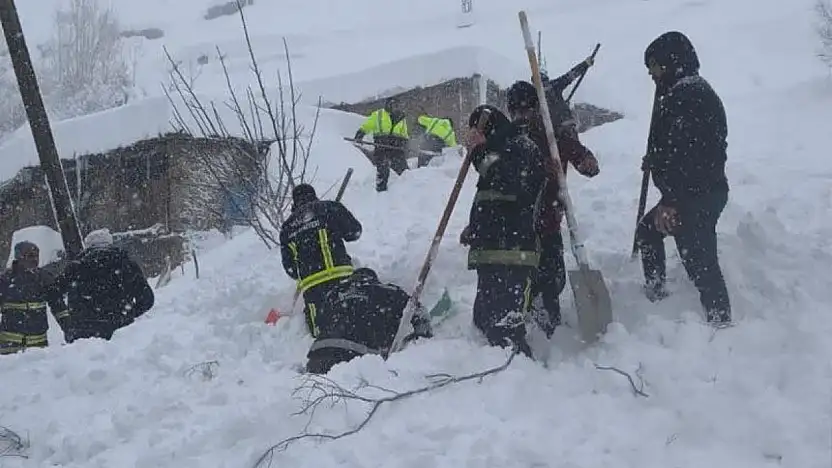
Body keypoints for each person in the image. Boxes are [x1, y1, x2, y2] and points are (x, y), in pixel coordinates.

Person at [637, 31, 731, 324]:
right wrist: (656, 157)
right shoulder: (685, 92)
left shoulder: (689, 96)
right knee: (650, 233)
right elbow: (675, 147)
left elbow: (692, 157)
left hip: (694, 195)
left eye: (654, 64)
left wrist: (672, 200)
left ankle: (721, 321)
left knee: (700, 261)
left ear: (672, 61)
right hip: (696, 192)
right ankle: (656, 293)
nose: (651, 72)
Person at [504, 80, 600, 337]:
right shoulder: (508, 140)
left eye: (527, 110)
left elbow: (583, 160)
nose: (522, 116)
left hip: (548, 221)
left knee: (552, 275)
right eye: (516, 111)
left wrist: (585, 160)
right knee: (523, 277)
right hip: (517, 226)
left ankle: (550, 321)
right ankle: (527, 320)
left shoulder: (551, 136)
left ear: (537, 109)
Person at [459, 105, 546, 358]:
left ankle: (521, 381)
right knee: (484, 322)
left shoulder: (521, 146)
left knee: (505, 330)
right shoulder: (499, 148)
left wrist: (478, 152)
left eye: (476, 130)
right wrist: (475, 228)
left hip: (512, 254)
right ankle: (489, 381)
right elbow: (493, 199)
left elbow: (510, 183)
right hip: (491, 253)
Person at [305, 267, 433, 374]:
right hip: (355, 356)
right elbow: (416, 309)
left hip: (318, 354)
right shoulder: (385, 291)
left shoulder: (333, 294)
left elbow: (319, 322)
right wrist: (422, 335)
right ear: (374, 280)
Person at [279, 183, 362, 337]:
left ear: (294, 203)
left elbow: (290, 269)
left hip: (313, 287)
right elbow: (355, 232)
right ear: (314, 195)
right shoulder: (330, 208)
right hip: (342, 277)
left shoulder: (287, 228)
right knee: (356, 319)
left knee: (322, 332)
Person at [54, 229, 154, 342]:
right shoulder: (126, 264)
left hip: (83, 333)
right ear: (110, 243)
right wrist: (129, 314)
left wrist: (66, 320)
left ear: (87, 246)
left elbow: (54, 293)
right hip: (120, 331)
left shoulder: (75, 267)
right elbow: (147, 299)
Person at [0, 241, 71, 354]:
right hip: (9, 349)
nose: (35, 260)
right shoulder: (5, 281)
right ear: (19, 257)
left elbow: (59, 307)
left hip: (38, 348)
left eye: (37, 256)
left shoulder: (45, 279)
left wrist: (69, 330)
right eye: (30, 256)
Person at [354, 98, 410, 192]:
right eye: (393, 105)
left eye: (397, 105)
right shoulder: (378, 114)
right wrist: (361, 133)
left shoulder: (401, 117)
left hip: (396, 147)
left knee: (404, 170)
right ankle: (380, 192)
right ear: (388, 105)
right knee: (383, 168)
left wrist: (405, 144)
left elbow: (404, 133)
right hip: (381, 146)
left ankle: (408, 189)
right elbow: (368, 125)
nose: (395, 107)